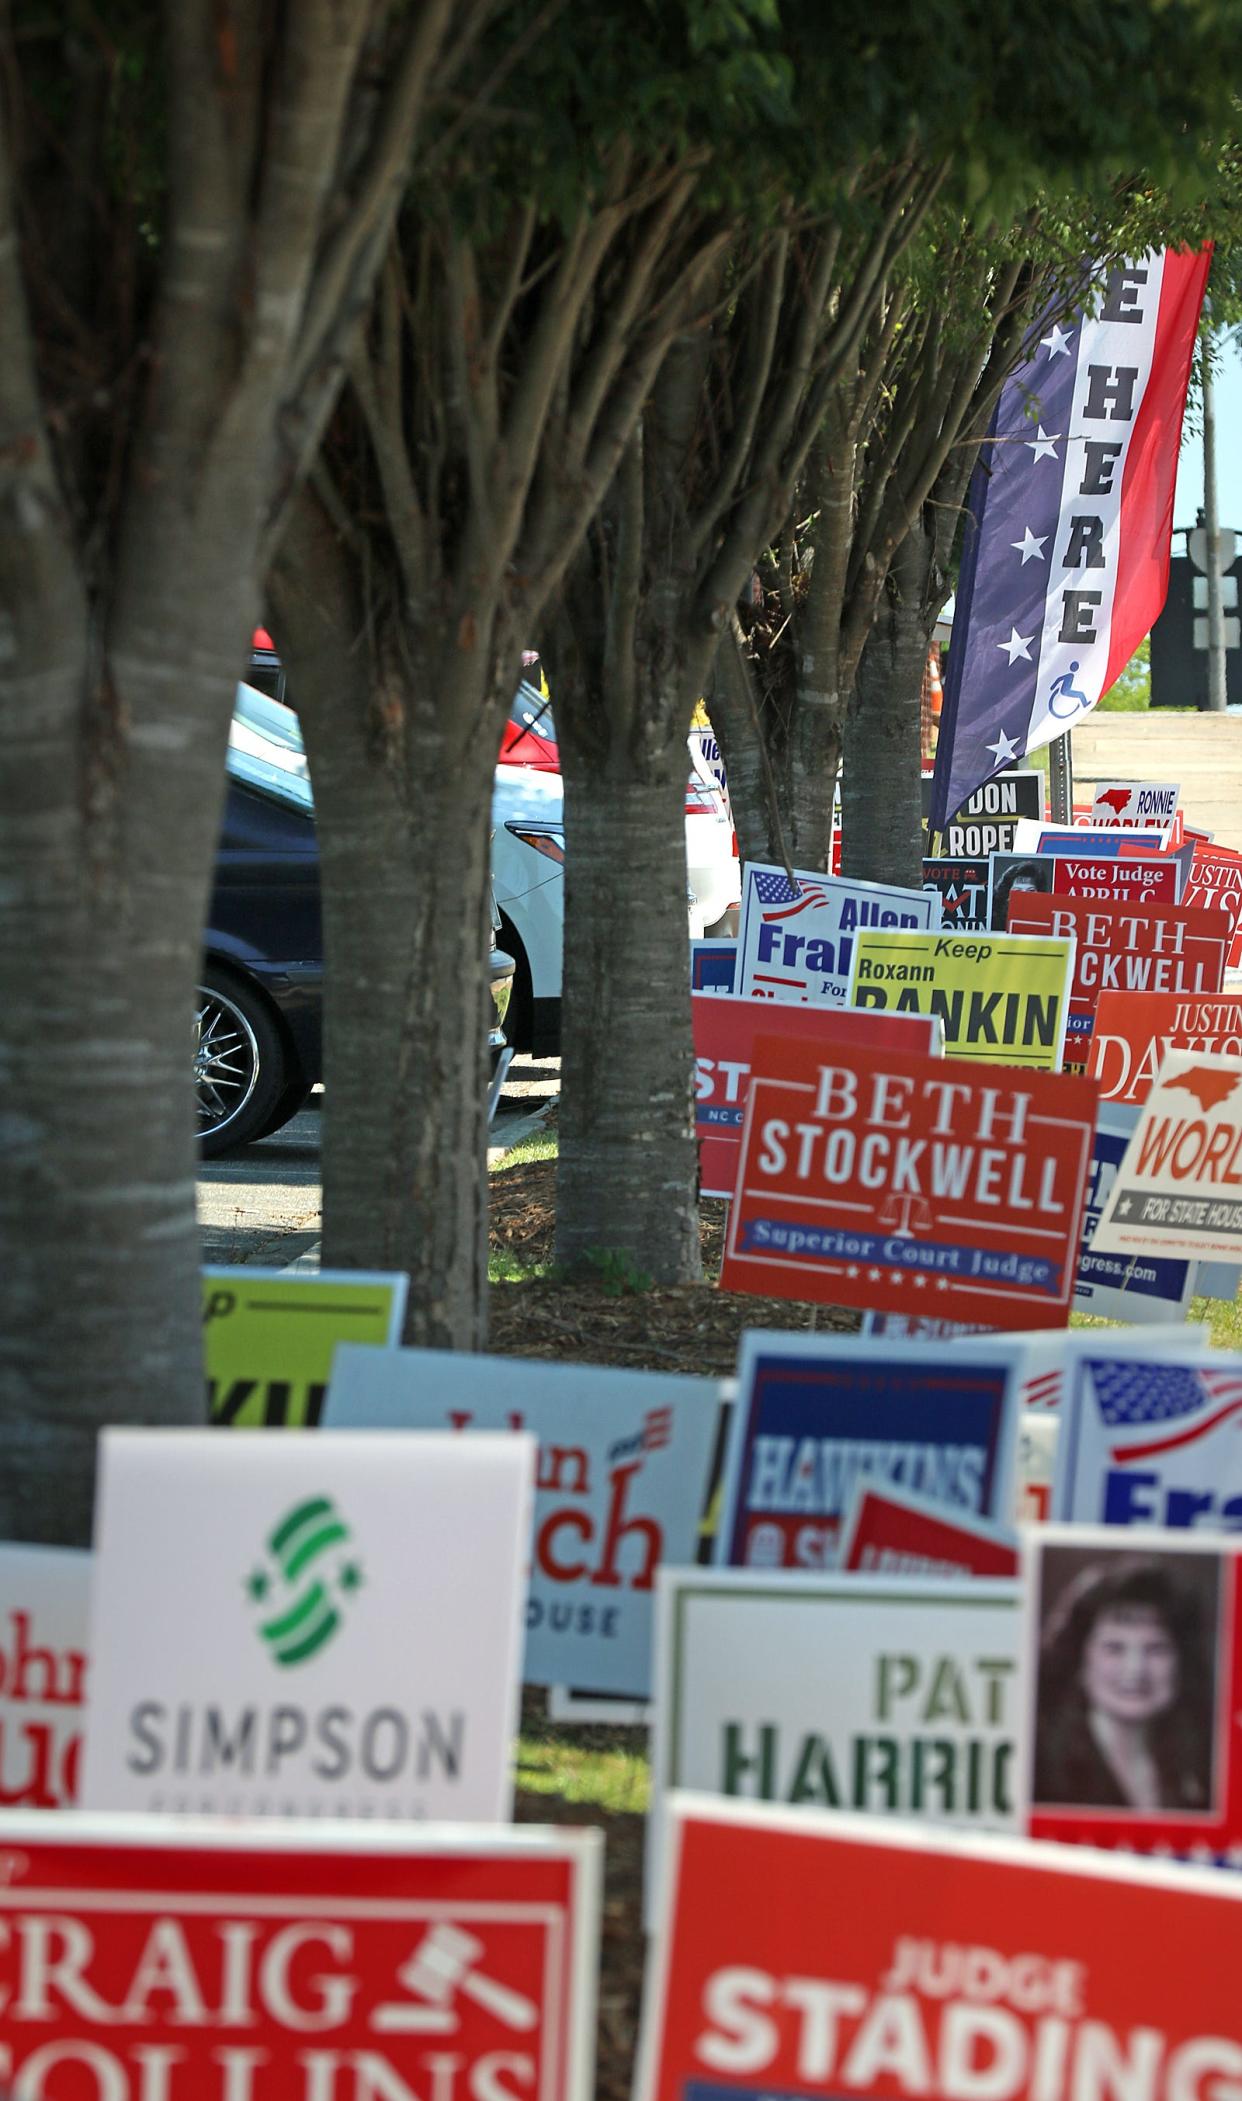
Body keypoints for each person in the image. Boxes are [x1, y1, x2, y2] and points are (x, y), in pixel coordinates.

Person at [1033, 1556, 1214, 1812]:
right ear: (1079, 1660)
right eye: (1114, 1648)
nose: (1135, 1670)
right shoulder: (1041, 1766)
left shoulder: (1204, 1765)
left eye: (1156, 1648)